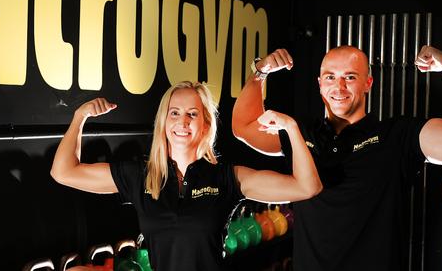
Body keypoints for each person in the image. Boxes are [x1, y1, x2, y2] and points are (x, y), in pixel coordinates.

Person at [232, 45, 442, 271]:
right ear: (319, 84)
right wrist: (260, 72)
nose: (338, 86)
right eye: (330, 77)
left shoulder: (397, 136)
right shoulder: (299, 134)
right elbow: (242, 126)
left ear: (368, 83)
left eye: (350, 77)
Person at [50, 81, 322, 271]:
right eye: (175, 113)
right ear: (164, 122)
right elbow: (63, 172)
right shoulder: (143, 176)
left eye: (192, 114)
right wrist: (79, 116)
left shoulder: (226, 178)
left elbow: (306, 187)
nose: (182, 122)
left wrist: (291, 128)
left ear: (205, 125)